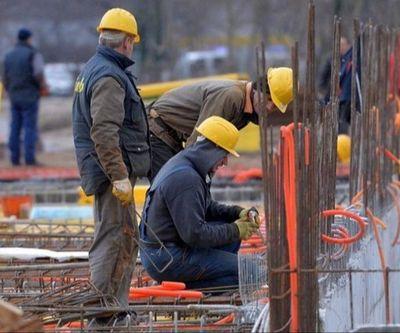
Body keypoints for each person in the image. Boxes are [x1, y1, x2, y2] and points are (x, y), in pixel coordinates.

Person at [71, 8, 149, 325]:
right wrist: (118, 177)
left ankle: (112, 310)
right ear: (127, 42)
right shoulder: (108, 76)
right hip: (109, 174)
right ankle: (103, 316)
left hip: (105, 171)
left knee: (124, 238)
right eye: (133, 41)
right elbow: (103, 131)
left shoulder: (97, 68)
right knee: (114, 240)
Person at [139, 116, 259, 290]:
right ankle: (187, 286)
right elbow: (195, 234)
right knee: (250, 272)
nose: (225, 162)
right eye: (224, 154)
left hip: (166, 251)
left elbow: (206, 207)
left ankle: (205, 274)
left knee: (231, 236)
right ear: (213, 149)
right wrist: (235, 229)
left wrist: (236, 213)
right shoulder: (186, 178)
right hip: (166, 258)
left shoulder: (188, 165)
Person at [147, 67, 293, 180]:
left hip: (171, 135)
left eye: (274, 105)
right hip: (158, 129)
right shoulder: (232, 97)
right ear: (257, 88)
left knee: (180, 187)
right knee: (173, 188)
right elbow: (199, 141)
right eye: (268, 99)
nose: (268, 108)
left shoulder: (245, 111)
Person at [3, 28, 46, 166]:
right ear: (28, 38)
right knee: (29, 127)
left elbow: (4, 77)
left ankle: (14, 159)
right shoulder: (33, 54)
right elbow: (38, 73)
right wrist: (43, 87)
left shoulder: (8, 55)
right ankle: (29, 158)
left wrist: (10, 90)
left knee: (14, 127)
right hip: (30, 96)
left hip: (14, 96)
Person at [319, 37, 356, 134]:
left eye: (343, 45)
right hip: (333, 96)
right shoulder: (331, 60)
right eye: (339, 45)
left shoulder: (352, 61)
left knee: (344, 121)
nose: (341, 47)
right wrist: (325, 91)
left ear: (348, 46)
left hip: (347, 98)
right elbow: (323, 78)